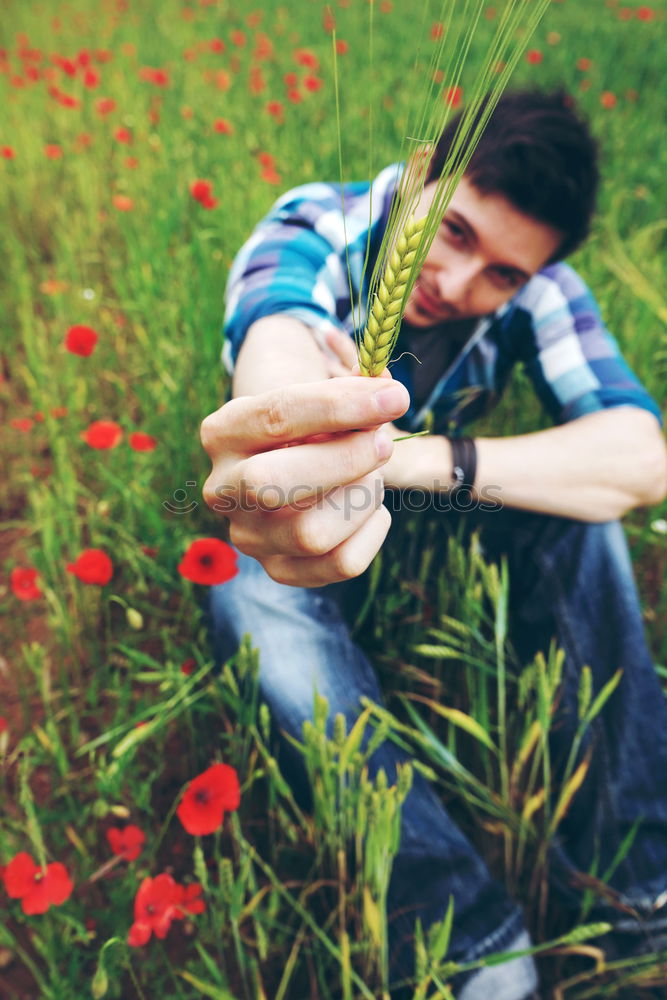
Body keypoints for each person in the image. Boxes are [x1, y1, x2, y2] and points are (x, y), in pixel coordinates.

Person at [201, 90, 667, 999]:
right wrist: (287, 438)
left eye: (500, 274)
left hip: (432, 489)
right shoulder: (316, 223)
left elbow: (640, 453)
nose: (457, 286)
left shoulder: (543, 293)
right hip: (308, 502)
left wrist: (424, 462)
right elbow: (277, 344)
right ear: (419, 174)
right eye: (452, 233)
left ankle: (637, 898)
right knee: (245, 586)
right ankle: (471, 948)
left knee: (588, 518)